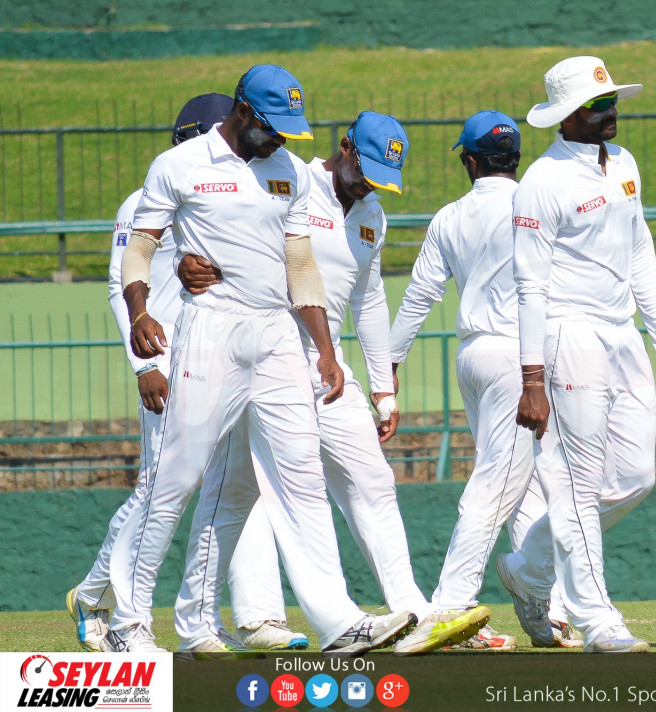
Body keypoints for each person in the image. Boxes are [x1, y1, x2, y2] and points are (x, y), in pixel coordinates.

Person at [115, 64, 415, 655]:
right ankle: (129, 625)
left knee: (301, 478)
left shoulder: (288, 174)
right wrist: (142, 313)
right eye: (275, 127)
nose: (283, 140)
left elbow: (301, 267)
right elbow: (141, 248)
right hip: (210, 331)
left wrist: (327, 352)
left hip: (279, 336)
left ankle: (338, 622)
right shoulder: (180, 165)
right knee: (174, 479)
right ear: (244, 111)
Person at [176, 111, 491, 656]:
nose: (368, 185)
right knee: (238, 495)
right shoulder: (290, 179)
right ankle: (198, 623)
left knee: (373, 482)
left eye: (380, 180)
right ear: (345, 146)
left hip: (329, 367)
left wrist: (382, 384)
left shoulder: (373, 214)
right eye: (363, 170)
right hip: (265, 355)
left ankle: (412, 613)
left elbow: (367, 298)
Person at [65, 92, 307, 654]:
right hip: (169, 363)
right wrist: (145, 364)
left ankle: (211, 619)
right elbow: (119, 283)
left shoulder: (244, 189)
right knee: (158, 487)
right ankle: (105, 598)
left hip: (220, 354)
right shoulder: (149, 197)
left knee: (225, 487)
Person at [512, 56, 656, 653]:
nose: (612, 112)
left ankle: (529, 566)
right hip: (568, 334)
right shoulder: (541, 181)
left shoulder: (626, 163)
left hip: (623, 334)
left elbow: (640, 250)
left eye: (612, 101)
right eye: (599, 104)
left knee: (636, 476)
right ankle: (597, 620)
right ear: (568, 115)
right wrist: (532, 378)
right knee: (578, 483)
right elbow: (529, 286)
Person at [390, 110, 535, 651]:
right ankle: (450, 608)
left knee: (521, 483)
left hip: (473, 357)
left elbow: (419, 295)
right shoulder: (534, 204)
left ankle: (545, 609)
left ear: (469, 161)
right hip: (523, 361)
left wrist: (388, 369)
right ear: (516, 158)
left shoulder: (449, 215)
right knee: (499, 482)